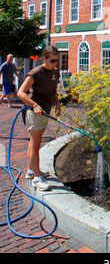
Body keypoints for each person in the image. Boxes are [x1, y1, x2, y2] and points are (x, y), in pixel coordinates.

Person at [17, 46, 61, 191]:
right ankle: (37, 178)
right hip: (34, 112)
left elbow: (54, 89)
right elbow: (21, 93)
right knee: (36, 144)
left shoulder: (55, 72)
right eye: (52, 60)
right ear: (44, 58)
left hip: (45, 112)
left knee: (34, 142)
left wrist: (57, 103)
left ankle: (31, 171)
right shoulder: (35, 73)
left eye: (57, 60)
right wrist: (34, 105)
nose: (55, 63)